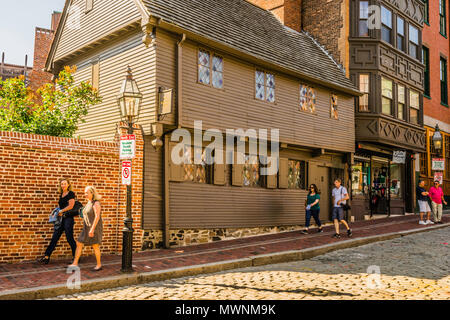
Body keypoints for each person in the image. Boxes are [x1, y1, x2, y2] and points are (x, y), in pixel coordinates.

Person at [37, 179, 77, 264]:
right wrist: (55, 212)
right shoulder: (61, 194)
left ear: (68, 185)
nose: (63, 185)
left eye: (65, 184)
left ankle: (76, 257)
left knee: (69, 238)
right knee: (55, 237)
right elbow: (60, 207)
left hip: (68, 219)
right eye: (62, 184)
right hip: (61, 219)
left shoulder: (71, 194)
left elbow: (71, 206)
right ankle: (46, 257)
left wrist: (61, 211)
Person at [69, 186, 103, 271]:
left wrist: (92, 229)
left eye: (87, 193)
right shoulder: (88, 203)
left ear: (92, 193)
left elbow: (97, 217)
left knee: (95, 245)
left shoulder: (96, 203)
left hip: (93, 227)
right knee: (79, 243)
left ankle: (99, 265)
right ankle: (75, 263)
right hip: (86, 227)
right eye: (85, 193)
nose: (85, 195)